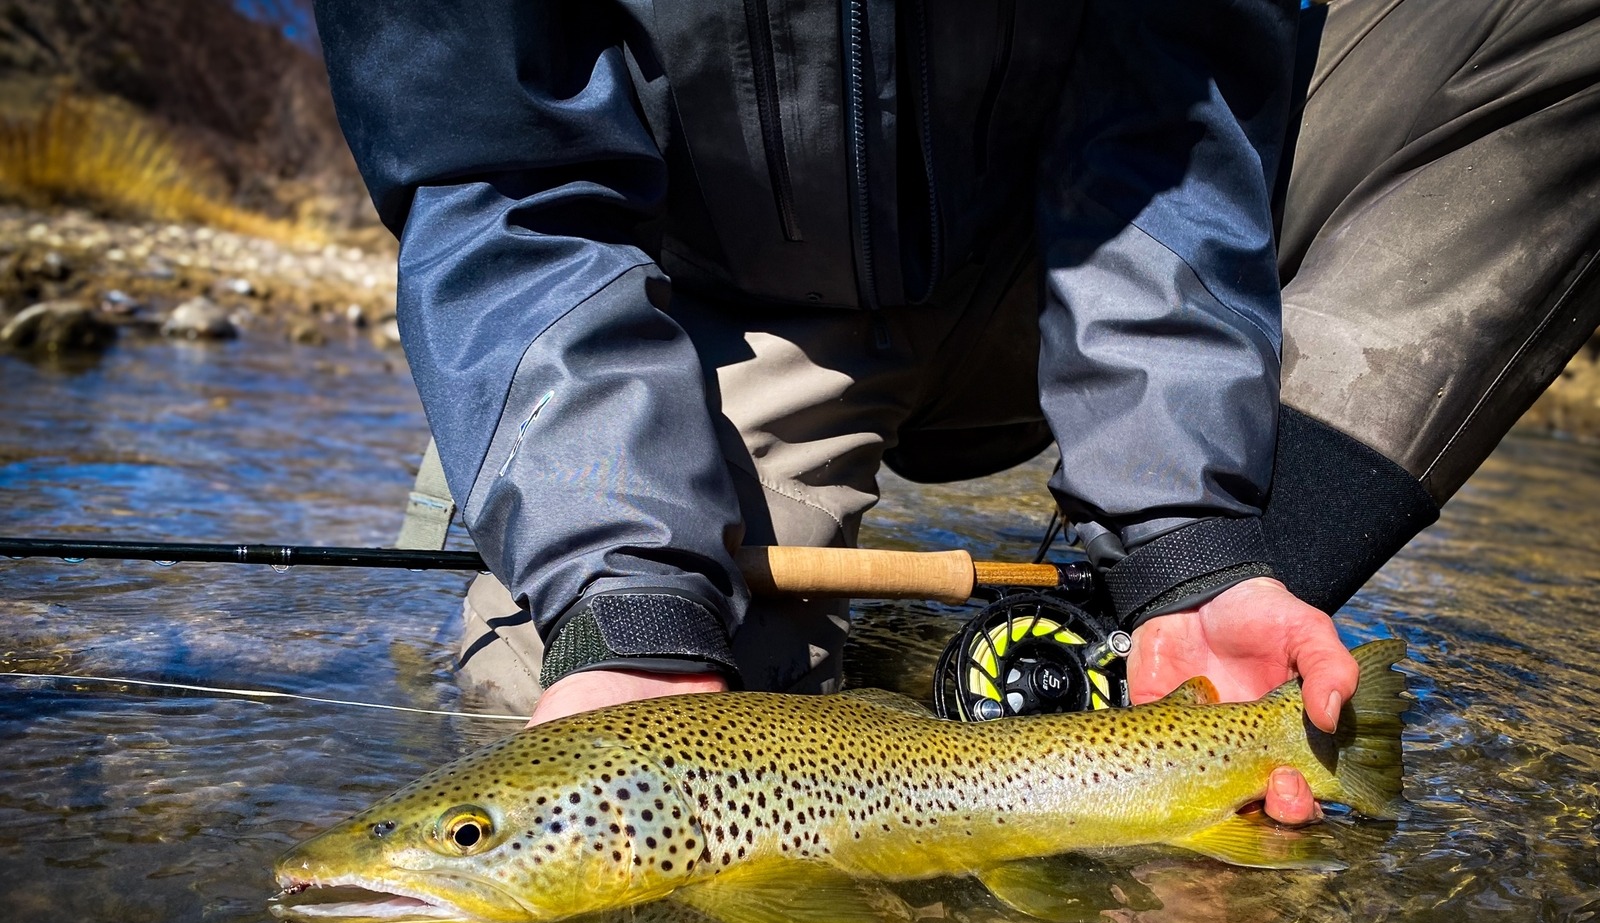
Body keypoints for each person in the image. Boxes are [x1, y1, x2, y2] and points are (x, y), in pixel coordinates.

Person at [313, 0, 1600, 825]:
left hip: (1117, 230)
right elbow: (500, 187)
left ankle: (1190, 646)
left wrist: (1185, 536)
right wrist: (628, 590)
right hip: (712, 290)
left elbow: (1174, 120)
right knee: (540, 697)